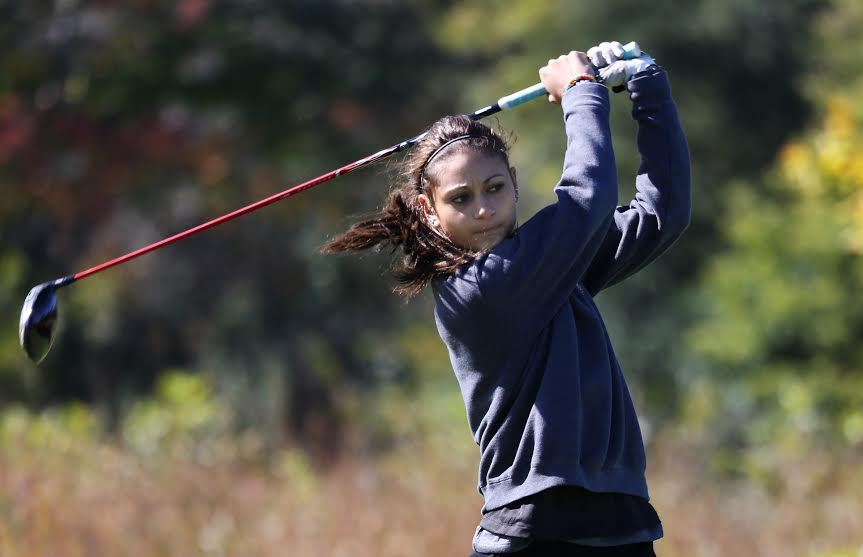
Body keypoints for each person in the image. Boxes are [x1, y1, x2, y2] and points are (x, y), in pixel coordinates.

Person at [323, 41, 690, 557]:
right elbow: (588, 198)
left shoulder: (555, 268)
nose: (483, 209)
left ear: (514, 184)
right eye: (461, 198)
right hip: (533, 532)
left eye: (494, 188)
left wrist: (649, 85)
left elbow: (662, 213)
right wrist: (582, 94)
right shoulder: (477, 290)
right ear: (429, 211)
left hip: (622, 526)